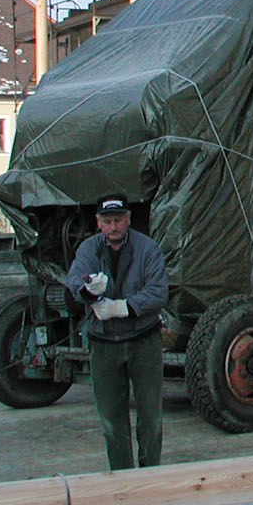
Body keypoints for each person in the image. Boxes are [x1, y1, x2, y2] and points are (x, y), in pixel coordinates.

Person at [65, 194, 170, 471]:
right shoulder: (88, 250)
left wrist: (122, 307)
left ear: (128, 220)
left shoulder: (147, 248)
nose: (114, 227)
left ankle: (150, 475)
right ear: (98, 223)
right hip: (103, 345)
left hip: (143, 340)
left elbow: (159, 292)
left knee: (150, 417)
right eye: (108, 221)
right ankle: (122, 479)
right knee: (112, 420)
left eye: (118, 220)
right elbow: (74, 280)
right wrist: (88, 291)